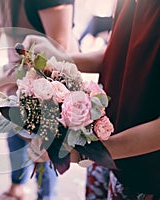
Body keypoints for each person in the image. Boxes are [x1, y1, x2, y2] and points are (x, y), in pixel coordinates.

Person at [23, 0, 160, 199]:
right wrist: (61, 60)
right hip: (112, 155)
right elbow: (119, 52)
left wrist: (82, 152)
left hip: (148, 175)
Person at [0, 0, 78, 199]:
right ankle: (17, 188)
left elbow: (59, 54)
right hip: (19, 83)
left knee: (44, 154)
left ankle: (46, 196)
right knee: (14, 138)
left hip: (50, 88)